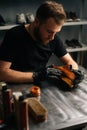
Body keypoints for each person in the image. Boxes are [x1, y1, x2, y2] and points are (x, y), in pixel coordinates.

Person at [0, 1, 78, 83]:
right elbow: (2, 73)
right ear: (37, 22)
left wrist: (73, 72)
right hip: (15, 86)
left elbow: (70, 62)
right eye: (49, 31)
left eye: (56, 32)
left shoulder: (53, 38)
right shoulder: (15, 35)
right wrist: (36, 76)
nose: (52, 37)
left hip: (39, 85)